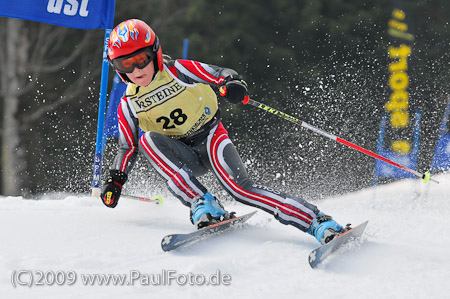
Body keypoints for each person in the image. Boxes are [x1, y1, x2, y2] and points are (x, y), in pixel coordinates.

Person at [100, 19, 346, 245]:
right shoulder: (129, 104)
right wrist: (115, 179)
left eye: (141, 59)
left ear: (155, 53)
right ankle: (203, 203)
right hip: (183, 153)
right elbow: (127, 147)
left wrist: (231, 83)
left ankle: (318, 222)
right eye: (126, 65)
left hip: (210, 138)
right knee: (148, 141)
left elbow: (218, 73)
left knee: (240, 189)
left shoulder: (178, 71)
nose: (136, 70)